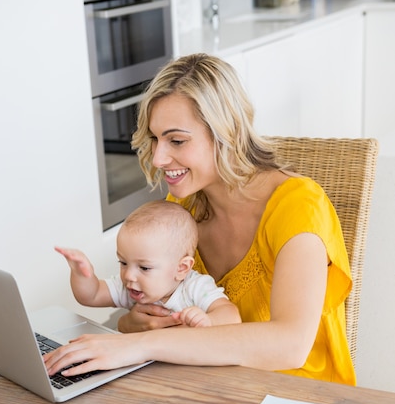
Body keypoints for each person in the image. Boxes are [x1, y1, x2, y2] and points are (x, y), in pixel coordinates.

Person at [45, 53, 356, 385]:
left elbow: (289, 346)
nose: (159, 157)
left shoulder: (298, 207)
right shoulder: (185, 206)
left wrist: (141, 343)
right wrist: (136, 327)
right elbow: (139, 319)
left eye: (177, 140)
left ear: (227, 134)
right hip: (212, 387)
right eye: (155, 139)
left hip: (302, 397)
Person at [55, 199, 241, 328]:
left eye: (144, 267)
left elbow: (231, 316)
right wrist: (80, 273)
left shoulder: (195, 288)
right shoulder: (131, 288)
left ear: (181, 268)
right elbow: (91, 295)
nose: (128, 275)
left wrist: (209, 321)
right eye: (123, 263)